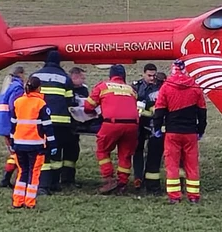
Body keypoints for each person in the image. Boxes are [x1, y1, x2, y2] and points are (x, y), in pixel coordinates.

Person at [152, 60, 207, 204]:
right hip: (190, 133)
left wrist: (157, 128)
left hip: (172, 133)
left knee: (172, 165)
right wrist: (200, 130)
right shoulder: (195, 87)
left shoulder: (166, 87)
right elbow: (202, 112)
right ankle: (194, 196)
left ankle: (174, 196)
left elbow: (159, 111)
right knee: (192, 164)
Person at [84, 64, 140, 194]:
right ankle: (122, 183)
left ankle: (109, 179)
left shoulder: (103, 86)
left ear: (111, 75)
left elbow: (88, 106)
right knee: (125, 155)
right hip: (132, 126)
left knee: (102, 150)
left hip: (112, 124)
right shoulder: (131, 89)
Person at [31, 50, 76, 194]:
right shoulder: (65, 78)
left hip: (41, 122)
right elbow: (71, 102)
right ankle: (55, 183)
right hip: (61, 123)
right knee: (56, 154)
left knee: (44, 154)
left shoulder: (35, 76)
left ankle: (42, 185)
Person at [9, 76, 57, 209]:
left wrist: (12, 142)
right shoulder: (40, 104)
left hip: (19, 144)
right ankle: (30, 202)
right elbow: (47, 126)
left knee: (22, 171)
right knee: (33, 174)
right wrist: (53, 144)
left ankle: (17, 201)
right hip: (36, 145)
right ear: (39, 88)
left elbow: (13, 124)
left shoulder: (18, 102)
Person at [0, 66, 25, 188]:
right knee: (18, 153)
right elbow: (15, 105)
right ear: (21, 74)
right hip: (10, 124)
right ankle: (18, 179)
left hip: (2, 124)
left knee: (14, 153)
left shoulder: (6, 86)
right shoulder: (17, 87)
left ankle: (6, 179)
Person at [132, 63, 159, 189]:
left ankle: (148, 177)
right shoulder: (136, 87)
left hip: (153, 123)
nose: (152, 78)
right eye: (149, 75)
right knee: (138, 150)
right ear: (143, 74)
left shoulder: (160, 87)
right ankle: (138, 178)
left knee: (152, 151)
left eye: (154, 75)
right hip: (139, 124)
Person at [62, 66, 90, 188]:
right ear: (74, 77)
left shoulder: (84, 89)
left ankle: (68, 178)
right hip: (65, 123)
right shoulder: (65, 87)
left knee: (73, 152)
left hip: (76, 124)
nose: (84, 81)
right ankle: (60, 178)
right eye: (82, 78)